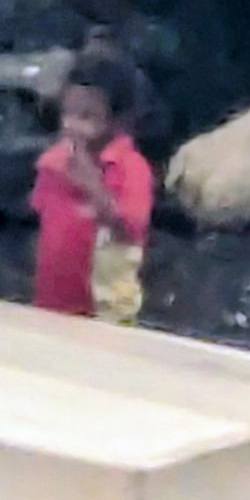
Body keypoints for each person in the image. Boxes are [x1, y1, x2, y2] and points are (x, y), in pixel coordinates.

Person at [31, 50, 157, 322]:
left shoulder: (131, 168)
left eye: (86, 116)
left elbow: (130, 229)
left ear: (119, 120)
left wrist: (93, 186)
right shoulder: (52, 163)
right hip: (51, 304)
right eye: (68, 114)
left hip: (106, 312)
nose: (72, 126)